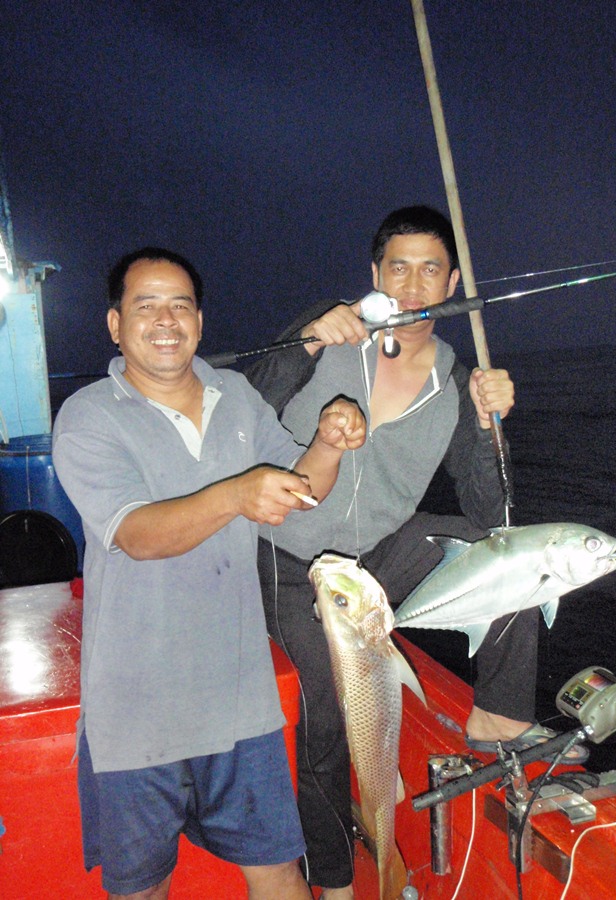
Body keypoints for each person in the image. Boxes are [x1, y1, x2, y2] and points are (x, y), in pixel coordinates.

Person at [246, 205, 588, 899]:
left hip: (373, 562)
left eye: (429, 269)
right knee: (329, 708)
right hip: (286, 562)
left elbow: (491, 511)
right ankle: (337, 881)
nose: (410, 283)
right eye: (396, 266)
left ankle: (498, 716)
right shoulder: (327, 332)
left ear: (450, 282)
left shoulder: (455, 382)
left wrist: (491, 426)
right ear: (373, 274)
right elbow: (241, 407)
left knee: (503, 551)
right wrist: (308, 340)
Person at [52, 247, 366, 900]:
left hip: (238, 701)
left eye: (181, 305)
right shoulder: (88, 416)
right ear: (115, 324)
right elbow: (137, 535)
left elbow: (300, 486)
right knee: (142, 888)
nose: (165, 319)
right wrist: (237, 494)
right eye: (145, 305)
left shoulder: (237, 396)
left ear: (199, 319)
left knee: (279, 872)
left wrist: (330, 443)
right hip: (135, 713)